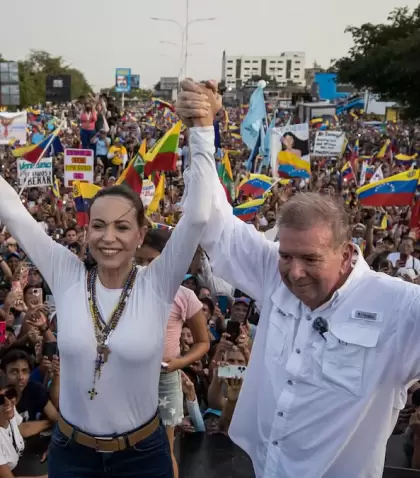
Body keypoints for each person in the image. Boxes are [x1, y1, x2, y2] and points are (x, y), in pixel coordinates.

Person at [177, 79, 420, 478]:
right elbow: (212, 219)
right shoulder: (273, 274)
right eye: (286, 255)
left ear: (346, 253)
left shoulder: (400, 307)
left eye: (310, 258)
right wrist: (203, 130)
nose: (293, 271)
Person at [0, 85, 219, 477]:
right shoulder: (66, 274)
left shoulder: (157, 283)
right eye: (98, 226)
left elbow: (199, 215)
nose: (108, 237)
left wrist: (202, 130)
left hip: (142, 454)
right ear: (87, 233)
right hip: (72, 453)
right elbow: (13, 211)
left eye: (122, 226)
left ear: (140, 234)